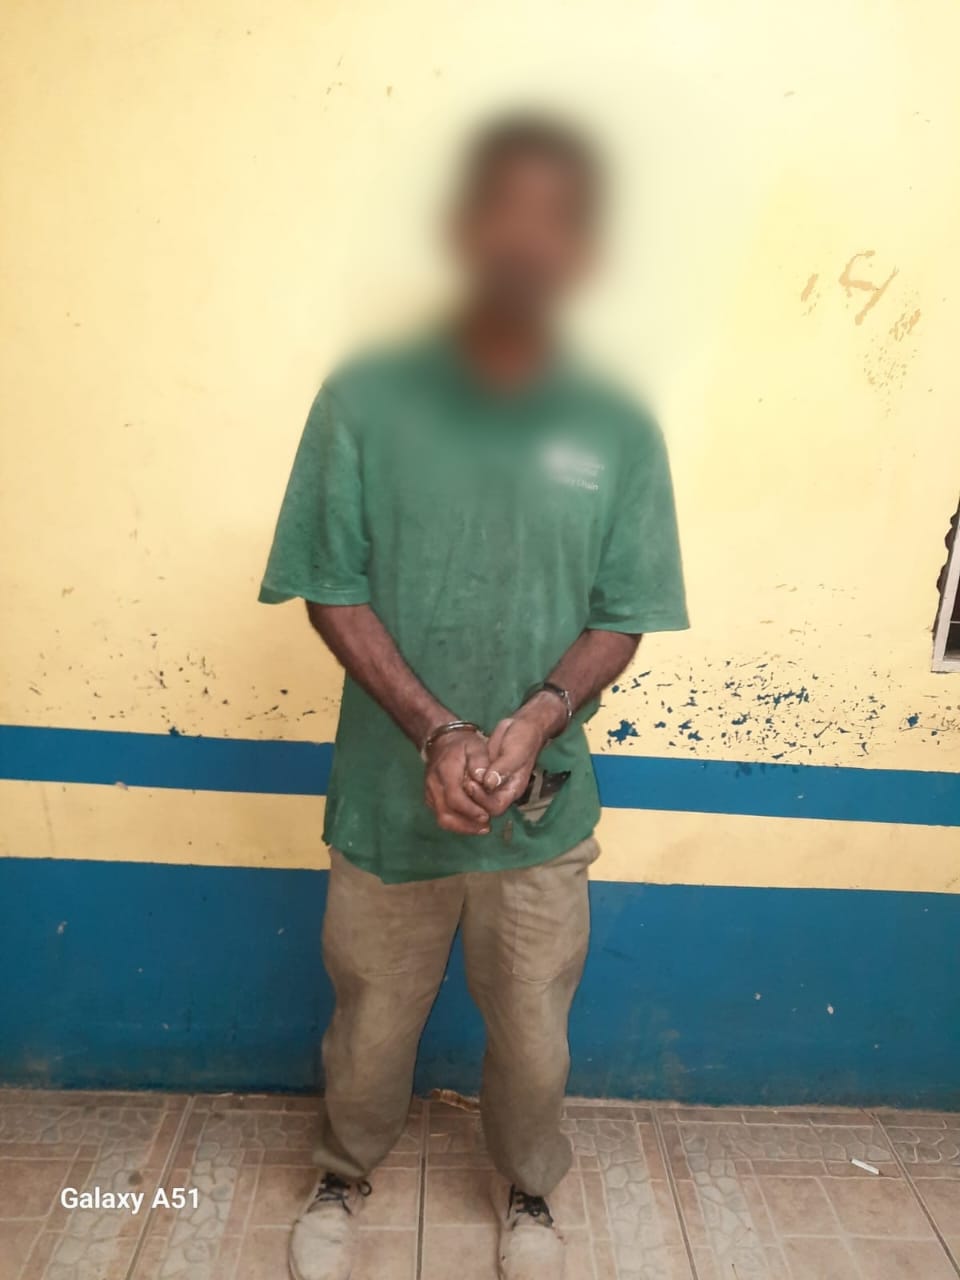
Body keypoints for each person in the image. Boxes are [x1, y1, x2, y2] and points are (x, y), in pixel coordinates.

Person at [259, 112, 688, 1280]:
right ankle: (344, 1170)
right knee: (369, 1024)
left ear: (586, 248)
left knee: (535, 1036)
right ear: (460, 225)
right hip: (388, 800)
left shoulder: (617, 421)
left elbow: (625, 611)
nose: (529, 237)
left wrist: (536, 716)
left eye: (560, 217)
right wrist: (437, 729)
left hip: (541, 809)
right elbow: (329, 585)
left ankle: (530, 1192)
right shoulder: (365, 397)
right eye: (506, 206)